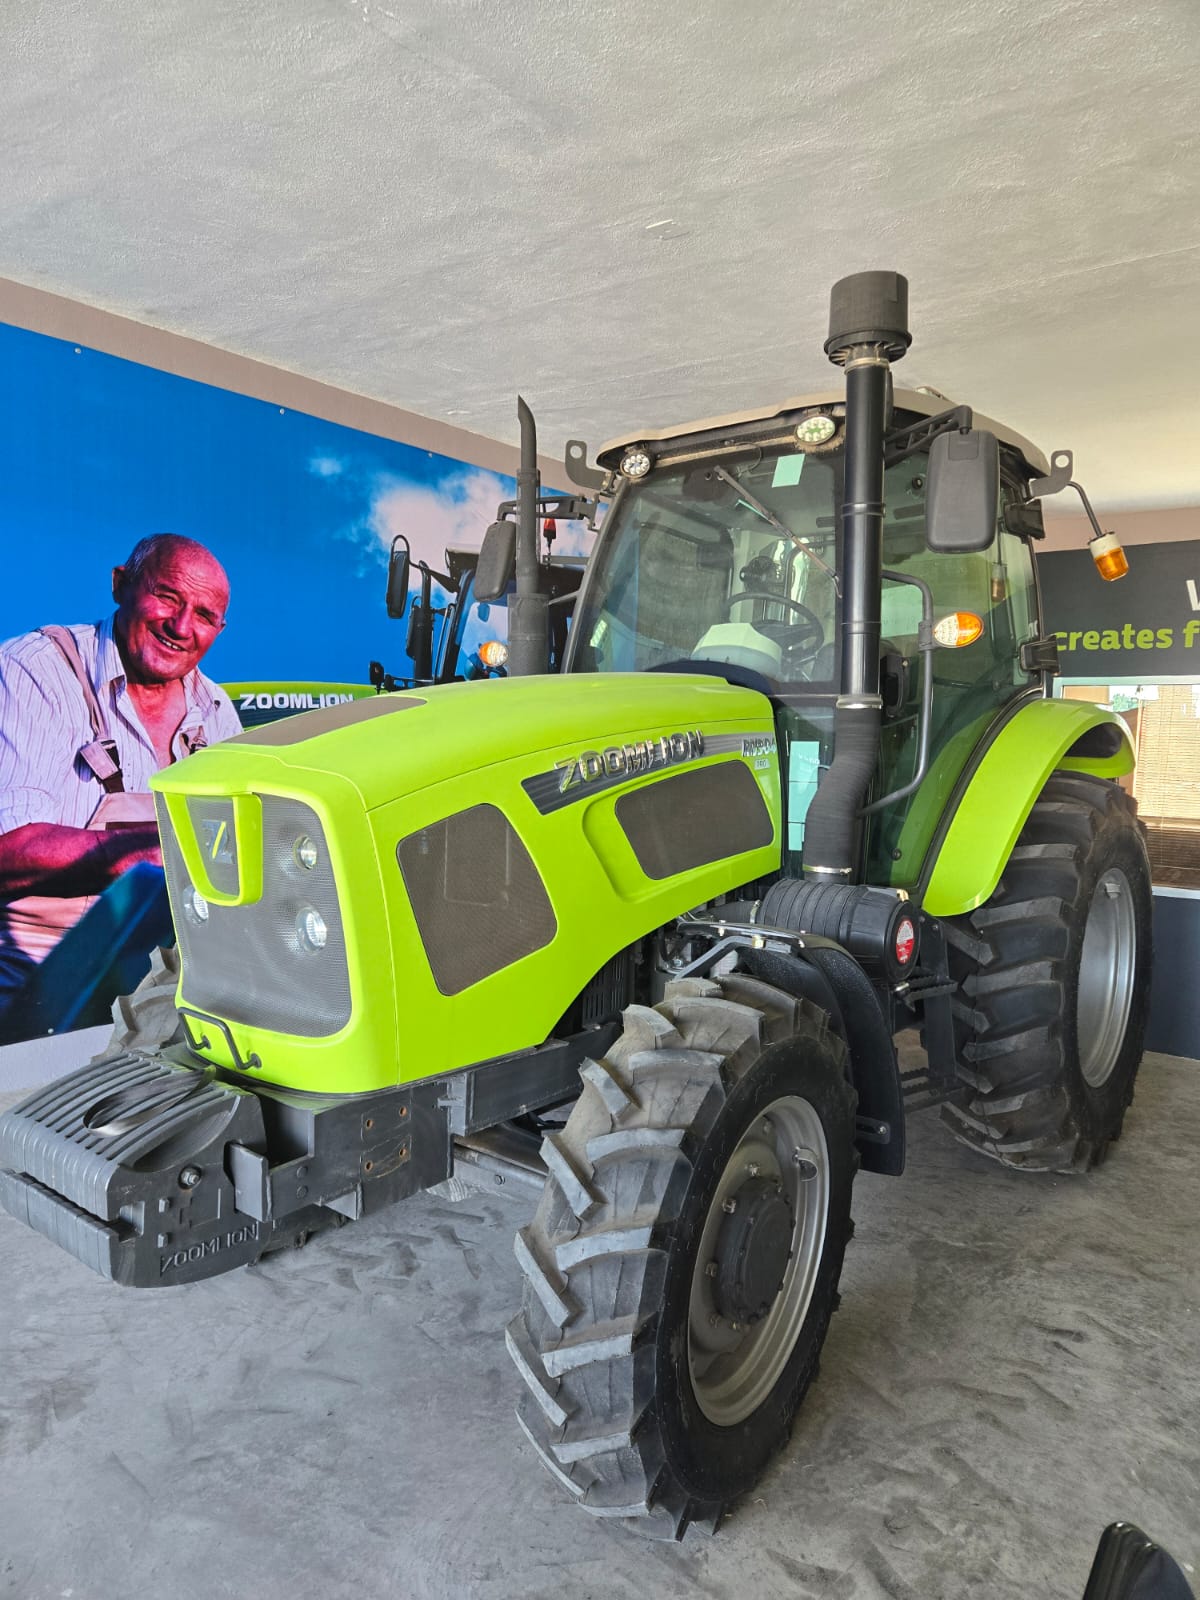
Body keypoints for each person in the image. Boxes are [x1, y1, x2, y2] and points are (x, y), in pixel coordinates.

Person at [0, 532, 242, 1038]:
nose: (181, 627)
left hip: (161, 990)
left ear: (219, 629)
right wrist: (147, 854)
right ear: (120, 584)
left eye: (204, 615)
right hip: (27, 987)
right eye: (167, 596)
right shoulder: (36, 668)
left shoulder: (216, 713)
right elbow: (8, 848)